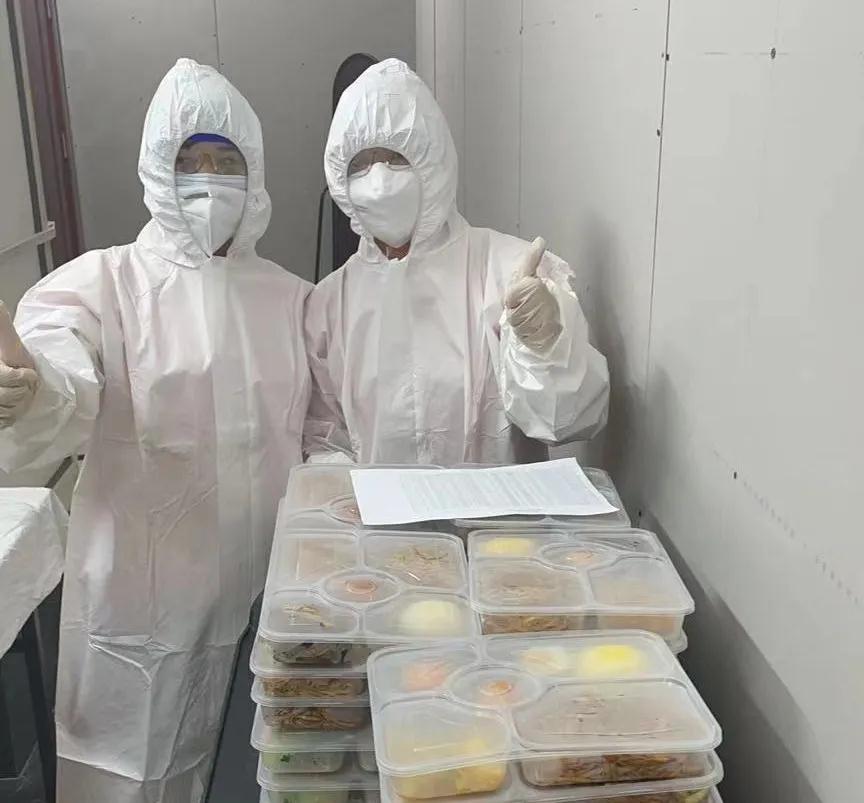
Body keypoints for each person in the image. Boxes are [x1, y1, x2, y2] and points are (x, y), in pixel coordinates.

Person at [0, 58, 311, 802]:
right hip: (146, 601)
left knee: (263, 767)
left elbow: (327, 427)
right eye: (190, 159)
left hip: (271, 587)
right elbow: (63, 362)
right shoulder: (102, 283)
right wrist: (34, 385)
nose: (209, 180)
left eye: (226, 161)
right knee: (134, 776)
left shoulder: (293, 299)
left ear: (255, 172)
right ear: (157, 168)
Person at [304, 59, 609, 465]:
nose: (378, 181)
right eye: (360, 163)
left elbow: (568, 422)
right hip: (378, 509)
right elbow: (325, 439)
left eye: (396, 158)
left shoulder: (510, 273)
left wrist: (545, 347)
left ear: (432, 161)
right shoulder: (329, 304)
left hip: (495, 508)